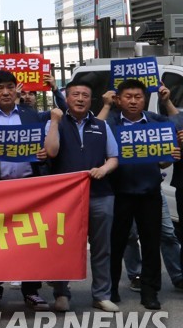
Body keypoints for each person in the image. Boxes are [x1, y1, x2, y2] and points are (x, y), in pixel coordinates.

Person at [0, 70, 53, 311]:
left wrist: (41, 155)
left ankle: (31, 289)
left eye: (9, 87)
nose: (5, 92)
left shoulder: (31, 115)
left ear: (16, 88)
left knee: (29, 240)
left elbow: (42, 150)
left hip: (27, 188)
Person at [99, 79, 180, 310]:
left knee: (152, 243)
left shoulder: (156, 122)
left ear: (145, 99)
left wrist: (167, 102)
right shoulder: (112, 122)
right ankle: (110, 289)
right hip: (118, 193)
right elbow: (92, 130)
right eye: (128, 96)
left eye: (138, 97)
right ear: (118, 99)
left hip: (149, 192)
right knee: (116, 243)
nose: (133, 101)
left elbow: (178, 125)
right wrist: (105, 106)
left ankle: (150, 292)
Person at [47, 79, 119, 312]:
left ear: (91, 100)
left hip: (100, 195)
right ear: (66, 98)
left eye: (85, 95)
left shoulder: (101, 125)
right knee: (62, 246)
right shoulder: (55, 121)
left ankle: (101, 294)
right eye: (75, 94)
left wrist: (104, 169)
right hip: (65, 199)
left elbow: (113, 158)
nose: (80, 99)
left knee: (101, 247)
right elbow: (51, 151)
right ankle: (61, 293)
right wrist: (55, 123)